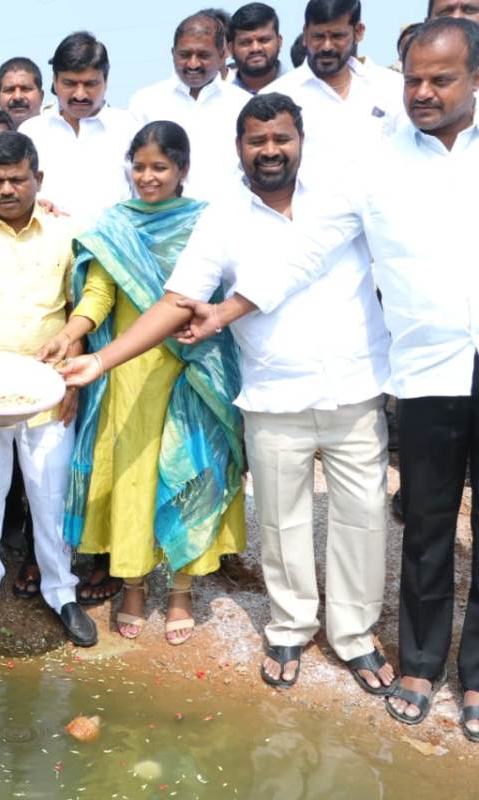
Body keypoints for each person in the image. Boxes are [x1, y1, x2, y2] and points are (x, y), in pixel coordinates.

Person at [179, 18, 479, 737]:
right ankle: (413, 661)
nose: (424, 92)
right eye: (413, 79)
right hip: (429, 371)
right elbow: (303, 253)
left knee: (384, 520)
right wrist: (225, 312)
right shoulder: (374, 161)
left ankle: (466, 675)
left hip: (371, 380)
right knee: (427, 525)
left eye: (442, 79)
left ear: (475, 79)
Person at [59, 93, 394, 692]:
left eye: (281, 139)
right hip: (271, 393)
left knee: (364, 519)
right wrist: (101, 361)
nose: (270, 151)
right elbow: (176, 299)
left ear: (300, 140)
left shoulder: (343, 196)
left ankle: (354, 636)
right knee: (284, 522)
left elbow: (308, 263)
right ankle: (290, 628)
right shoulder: (223, 218)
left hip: (355, 386)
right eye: (256, 141)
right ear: (238, 147)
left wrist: (224, 313)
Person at [47, 121, 246, 646]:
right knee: (134, 477)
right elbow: (100, 295)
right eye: (139, 166)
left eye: (160, 167)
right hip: (129, 373)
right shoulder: (115, 225)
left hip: (196, 367)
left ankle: (181, 590)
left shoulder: (207, 222)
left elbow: (226, 291)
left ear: (183, 170)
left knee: (194, 470)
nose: (148, 177)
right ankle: (132, 583)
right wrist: (74, 330)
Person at [0, 131, 95, 648]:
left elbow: (80, 307)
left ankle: (61, 591)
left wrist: (72, 369)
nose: (6, 189)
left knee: (50, 495)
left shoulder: (67, 231)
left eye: (17, 179)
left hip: (49, 388)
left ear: (38, 179)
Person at [268, 0, 405, 170]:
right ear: (305, 34)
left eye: (337, 36)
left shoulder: (391, 87)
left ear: (358, 32)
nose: (327, 46)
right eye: (318, 36)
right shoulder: (277, 95)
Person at [20, 31, 139, 227]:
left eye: (90, 84)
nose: (80, 94)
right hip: (46, 252)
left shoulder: (129, 128)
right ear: (55, 81)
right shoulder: (31, 132)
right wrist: (33, 205)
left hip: (113, 251)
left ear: (106, 82)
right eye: (70, 83)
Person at [129, 11, 252, 199]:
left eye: (203, 55)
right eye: (185, 55)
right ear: (173, 53)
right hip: (161, 222)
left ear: (222, 54)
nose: (193, 64)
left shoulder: (243, 105)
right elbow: (130, 170)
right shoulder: (145, 102)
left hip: (228, 219)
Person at [229, 3, 287, 93]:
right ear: (231, 48)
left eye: (263, 40)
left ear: (279, 41)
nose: (255, 48)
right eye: (245, 43)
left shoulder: (302, 89)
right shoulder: (219, 98)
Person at [0, 57, 46, 127]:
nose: (17, 97)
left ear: (41, 96)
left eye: (25, 89)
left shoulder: (58, 133)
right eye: (9, 90)